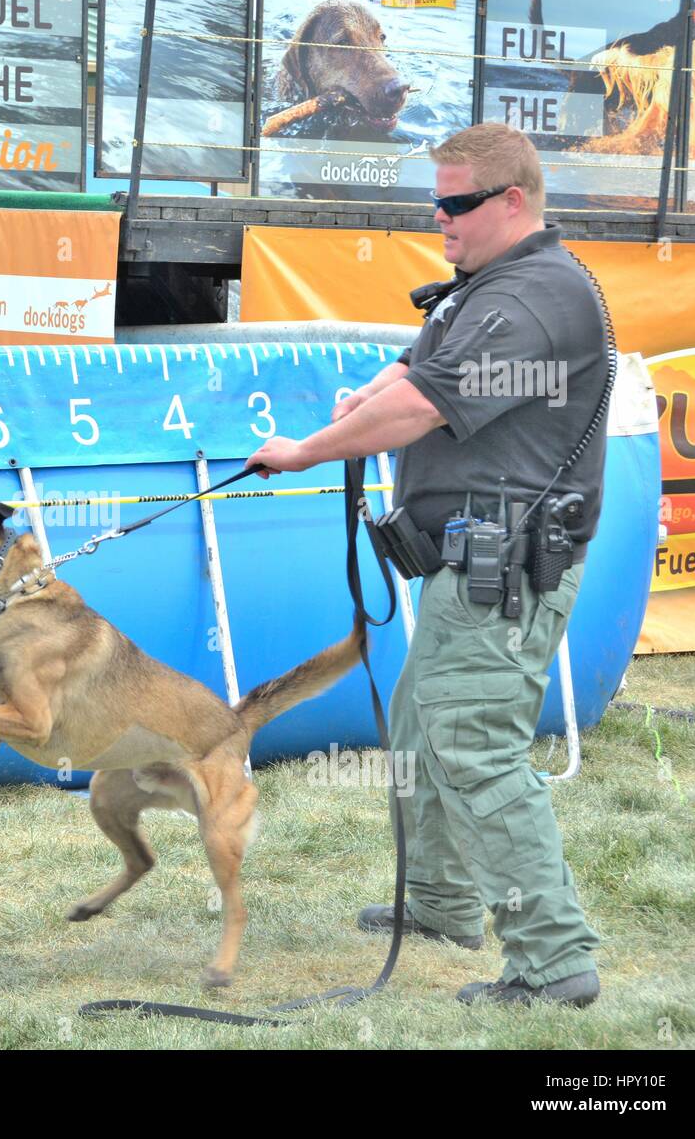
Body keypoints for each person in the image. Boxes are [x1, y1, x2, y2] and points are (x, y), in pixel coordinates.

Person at [246, 123, 606, 1007]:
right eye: (434, 200)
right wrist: (360, 400)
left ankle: (553, 962)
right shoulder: (495, 286)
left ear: (512, 202)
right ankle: (444, 902)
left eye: (456, 203)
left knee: (472, 745)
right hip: (472, 564)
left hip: (505, 569)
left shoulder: (531, 300)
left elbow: (416, 406)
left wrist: (307, 452)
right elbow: (410, 373)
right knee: (421, 727)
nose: (438, 217)